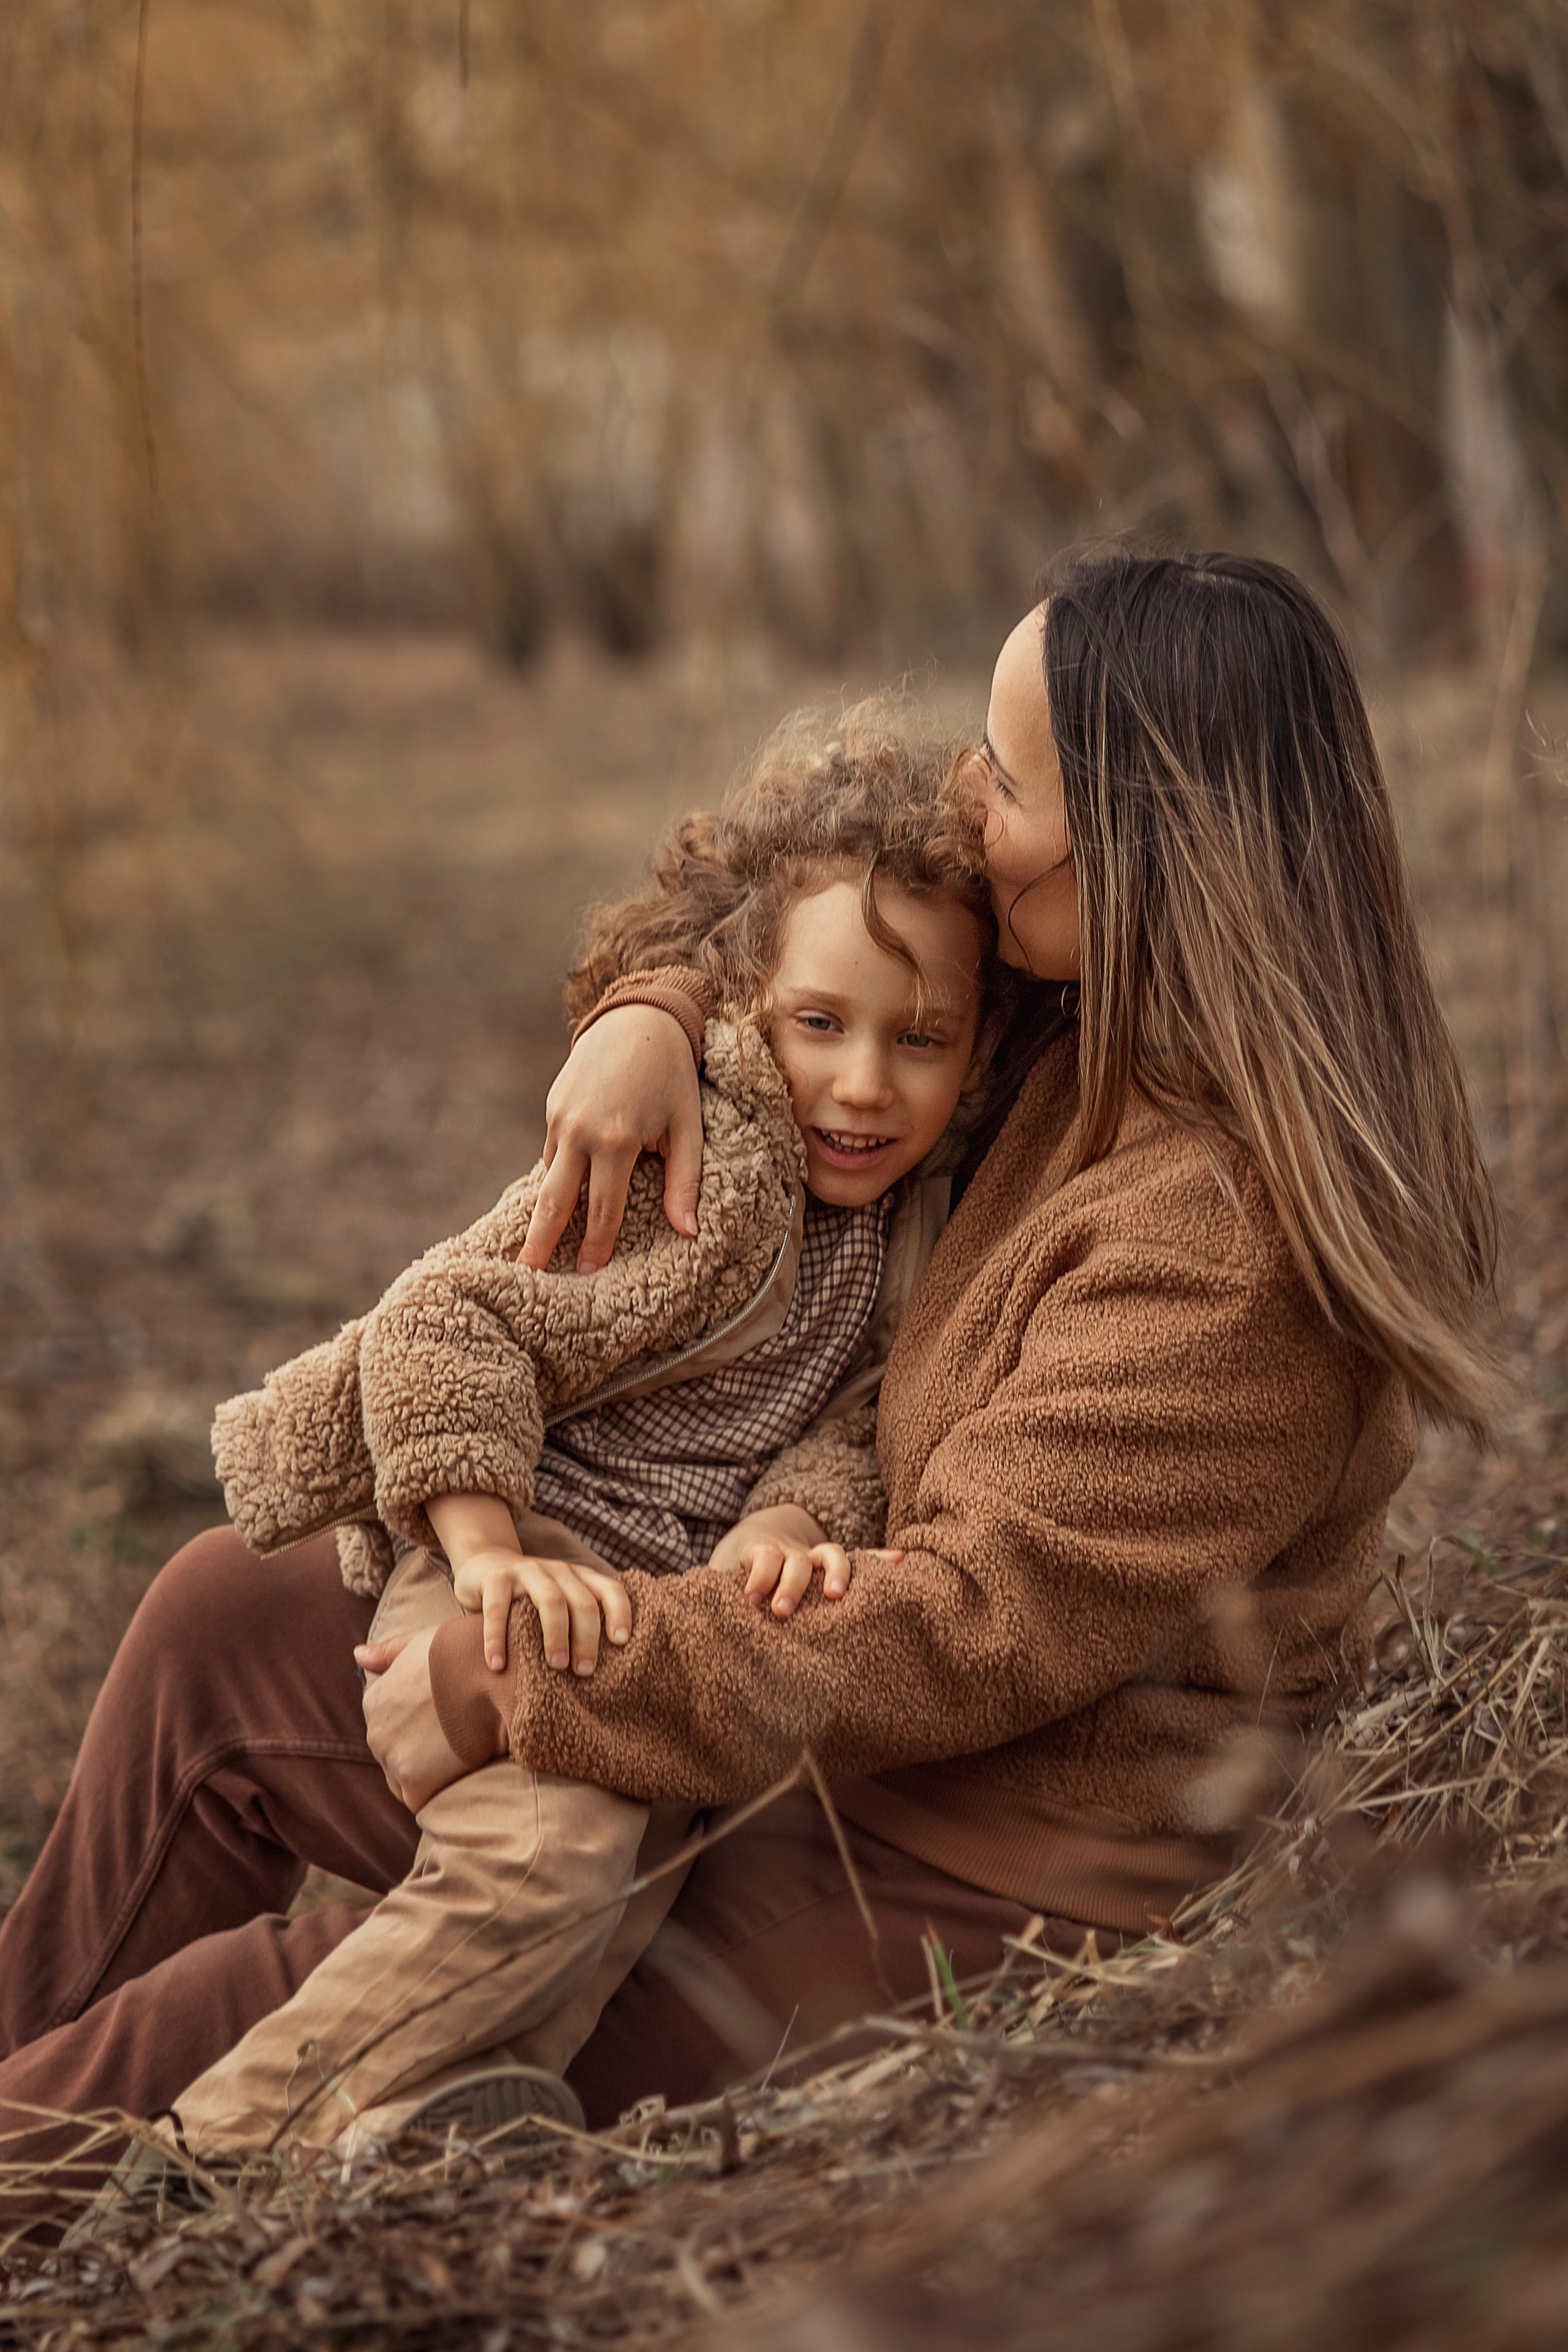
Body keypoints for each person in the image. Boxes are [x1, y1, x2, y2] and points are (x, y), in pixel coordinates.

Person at [0, 551, 1497, 2233]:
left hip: (959, 1852)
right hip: (801, 1702)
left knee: (373, 1970)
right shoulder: (1074, 1020)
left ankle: (106, 2199)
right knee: (225, 1605)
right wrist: (648, 1012)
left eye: (1006, 778)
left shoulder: (1230, 1256)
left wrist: (524, 1677)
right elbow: (804, 926)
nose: (961, 796)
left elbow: (960, 1634)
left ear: (1141, 848)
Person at [154, 709, 997, 2162]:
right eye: (820, 1025)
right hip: (525, 1539)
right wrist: (482, 1551)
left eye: (917, 1041)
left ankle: (423, 2127)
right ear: (744, 1009)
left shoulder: (909, 1229)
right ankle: (218, 2156)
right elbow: (443, 1321)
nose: (864, 1083)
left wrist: (788, 1523)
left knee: (639, 1864)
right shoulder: (699, 1171)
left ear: (972, 1058)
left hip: (658, 1599)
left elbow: (856, 1426)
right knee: (539, 1861)